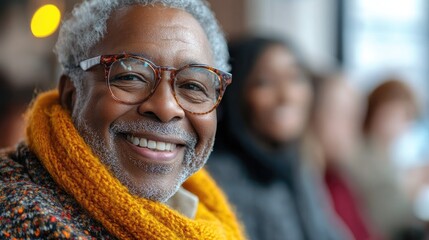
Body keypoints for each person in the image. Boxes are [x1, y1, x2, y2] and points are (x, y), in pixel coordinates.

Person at [0, 0, 245, 239]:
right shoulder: (18, 215)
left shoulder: (208, 214)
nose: (166, 107)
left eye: (193, 85)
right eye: (131, 77)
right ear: (71, 94)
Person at [208, 36, 350, 240]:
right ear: (235, 92)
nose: (287, 95)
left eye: (295, 78)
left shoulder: (295, 164)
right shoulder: (217, 179)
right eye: (264, 82)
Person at [308, 73, 380, 239]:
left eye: (357, 118)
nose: (354, 129)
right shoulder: (309, 185)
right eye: (346, 116)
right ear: (312, 114)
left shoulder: (339, 180)